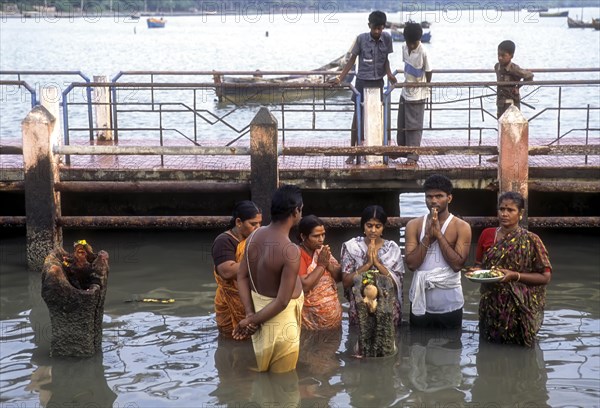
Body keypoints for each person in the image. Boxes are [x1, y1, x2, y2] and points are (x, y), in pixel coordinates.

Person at [233, 185, 304, 373]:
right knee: (284, 387)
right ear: (296, 211)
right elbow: (281, 302)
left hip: (259, 316)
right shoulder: (291, 251)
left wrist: (249, 314)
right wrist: (251, 321)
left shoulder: (254, 236)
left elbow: (241, 276)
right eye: (301, 209)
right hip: (281, 324)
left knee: (265, 377)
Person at [473, 191, 552, 347]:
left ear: (520, 213)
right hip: (491, 306)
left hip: (520, 307)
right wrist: (475, 273)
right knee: (489, 348)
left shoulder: (531, 239)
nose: (504, 214)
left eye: (510, 210)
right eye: (501, 209)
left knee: (519, 349)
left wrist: (515, 276)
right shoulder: (487, 235)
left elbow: (545, 277)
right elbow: (479, 266)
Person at [404, 174, 472, 329]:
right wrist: (428, 236)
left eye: (439, 196)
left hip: (450, 303)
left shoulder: (461, 227)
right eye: (429, 196)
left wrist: (439, 235)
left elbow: (457, 265)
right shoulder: (414, 225)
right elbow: (412, 265)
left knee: (450, 350)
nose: (433, 201)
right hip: (420, 302)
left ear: (449, 198)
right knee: (417, 348)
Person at [332, 10, 397, 165]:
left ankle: (381, 151)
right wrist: (340, 78)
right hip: (362, 82)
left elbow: (386, 60)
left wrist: (389, 73)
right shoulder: (361, 39)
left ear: (383, 27)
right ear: (369, 26)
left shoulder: (387, 38)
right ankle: (353, 152)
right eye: (375, 28)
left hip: (378, 83)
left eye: (380, 28)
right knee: (358, 118)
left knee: (379, 118)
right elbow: (351, 61)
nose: (377, 31)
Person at [340, 205, 404, 326]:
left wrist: (377, 264)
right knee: (359, 343)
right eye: (369, 226)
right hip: (360, 308)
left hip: (388, 309)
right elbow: (346, 282)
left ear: (383, 228)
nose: (373, 230)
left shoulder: (392, 248)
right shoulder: (352, 247)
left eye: (377, 226)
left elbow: (397, 283)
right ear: (363, 226)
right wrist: (368, 264)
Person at [211, 201, 262, 338]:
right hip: (230, 303)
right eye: (253, 224)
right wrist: (261, 261)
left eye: (259, 224)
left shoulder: (255, 240)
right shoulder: (224, 241)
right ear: (239, 222)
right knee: (231, 341)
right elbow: (226, 271)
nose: (257, 228)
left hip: (252, 302)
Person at [395, 21, 432, 166]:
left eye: (413, 43)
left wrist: (426, 87)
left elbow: (429, 71)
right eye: (409, 42)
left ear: (419, 40)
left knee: (414, 125)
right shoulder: (404, 47)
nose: (411, 46)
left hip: (418, 93)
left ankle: (413, 156)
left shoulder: (423, 52)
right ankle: (403, 150)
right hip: (405, 91)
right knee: (402, 123)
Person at [297, 215, 343, 330]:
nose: (321, 239)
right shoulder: (298, 254)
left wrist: (326, 263)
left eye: (323, 234)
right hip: (310, 324)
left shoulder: (322, 252)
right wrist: (321, 265)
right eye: (316, 236)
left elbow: (338, 277)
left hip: (334, 323)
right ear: (303, 236)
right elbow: (305, 285)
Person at [495, 40, 534, 119]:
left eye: (503, 55)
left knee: (512, 125)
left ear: (511, 56)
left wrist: (518, 86)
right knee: (501, 124)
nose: (500, 58)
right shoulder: (497, 67)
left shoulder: (514, 69)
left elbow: (529, 75)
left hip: (512, 104)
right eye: (498, 55)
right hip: (500, 103)